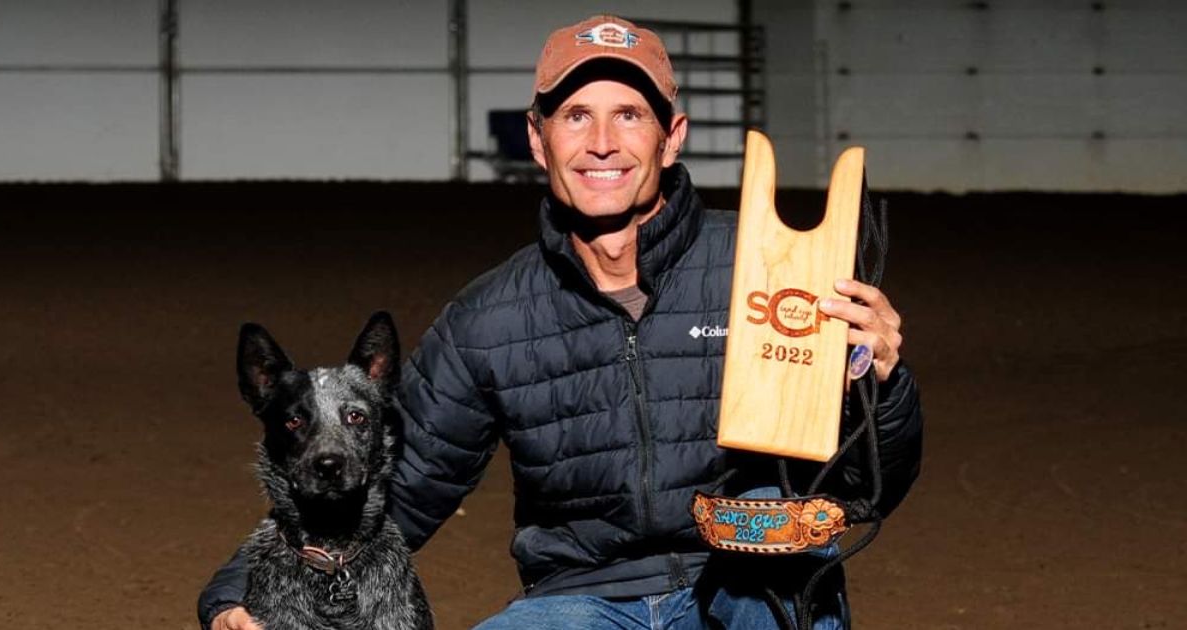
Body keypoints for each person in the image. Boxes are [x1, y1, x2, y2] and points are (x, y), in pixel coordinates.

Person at [199, 15, 922, 630]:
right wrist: (238, 589)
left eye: (628, 115)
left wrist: (881, 387)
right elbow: (397, 480)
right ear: (539, 140)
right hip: (583, 601)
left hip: (738, 588)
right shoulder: (489, 318)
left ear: (671, 138)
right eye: (576, 116)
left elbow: (867, 483)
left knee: (785, 553)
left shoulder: (767, 271)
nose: (601, 143)